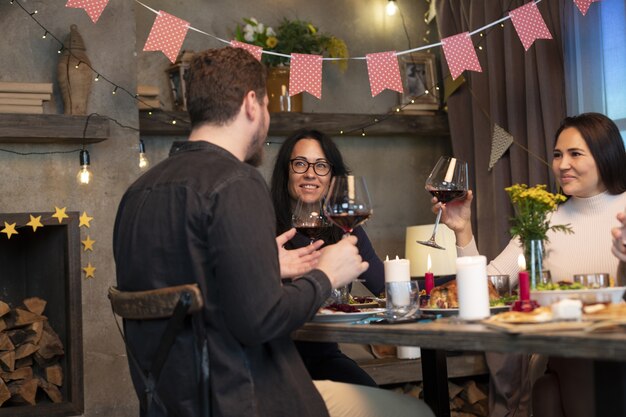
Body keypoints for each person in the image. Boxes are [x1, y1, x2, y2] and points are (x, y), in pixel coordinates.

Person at [113, 47, 434, 417]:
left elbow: (199, 292)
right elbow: (260, 321)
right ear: (252, 104)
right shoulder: (235, 182)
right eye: (267, 106)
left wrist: (266, 266)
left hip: (172, 405)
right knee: (417, 414)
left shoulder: (136, 192)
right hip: (248, 399)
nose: (266, 117)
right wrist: (325, 274)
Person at [430, 112, 626, 417]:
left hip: (617, 348)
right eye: (558, 154)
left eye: (575, 154)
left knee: (557, 384)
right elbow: (487, 288)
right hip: (565, 351)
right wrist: (462, 230)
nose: (562, 165)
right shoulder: (543, 220)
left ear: (606, 155)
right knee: (552, 382)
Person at [270, 129, 384, 387]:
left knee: (372, 395)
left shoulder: (346, 229)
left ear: (332, 176)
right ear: (285, 171)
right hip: (276, 362)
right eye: (300, 163)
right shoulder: (263, 223)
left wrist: (466, 272)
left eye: (321, 165)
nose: (310, 173)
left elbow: (385, 285)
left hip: (324, 357)